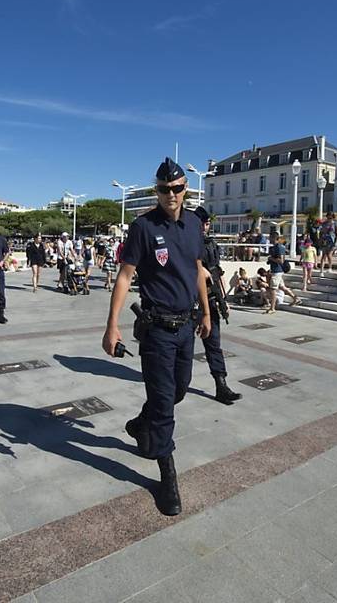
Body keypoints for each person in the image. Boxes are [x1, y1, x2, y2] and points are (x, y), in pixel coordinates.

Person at [102, 157, 210, 516]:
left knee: (179, 389)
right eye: (164, 190)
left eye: (177, 189)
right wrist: (111, 325)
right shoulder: (143, 227)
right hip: (157, 331)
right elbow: (124, 275)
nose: (171, 195)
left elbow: (197, 270)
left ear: (185, 190)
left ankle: (140, 423)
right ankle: (166, 476)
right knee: (164, 404)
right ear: (157, 191)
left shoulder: (195, 224)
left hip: (187, 326)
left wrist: (207, 312)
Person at [194, 206, 242, 406]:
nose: (206, 226)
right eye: (203, 223)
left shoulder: (210, 243)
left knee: (214, 345)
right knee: (182, 349)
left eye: (207, 223)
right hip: (191, 301)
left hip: (212, 299)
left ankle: (221, 384)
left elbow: (217, 273)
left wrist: (224, 300)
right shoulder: (187, 243)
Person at [265, 236, 301, 313]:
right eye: (270, 239)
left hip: (277, 271)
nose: (271, 240)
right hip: (275, 270)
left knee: (273, 289)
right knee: (282, 287)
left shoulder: (280, 247)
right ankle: (295, 299)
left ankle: (272, 308)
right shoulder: (274, 247)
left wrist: (271, 259)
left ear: (277, 239)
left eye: (272, 239)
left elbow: (281, 260)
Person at [318, 211, 337, 277]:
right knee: (324, 255)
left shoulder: (335, 223)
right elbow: (321, 232)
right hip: (324, 240)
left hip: (332, 240)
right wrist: (320, 240)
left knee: (329, 254)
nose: (329, 218)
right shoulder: (324, 223)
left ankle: (330, 268)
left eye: (331, 217)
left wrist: (336, 241)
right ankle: (321, 270)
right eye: (328, 217)